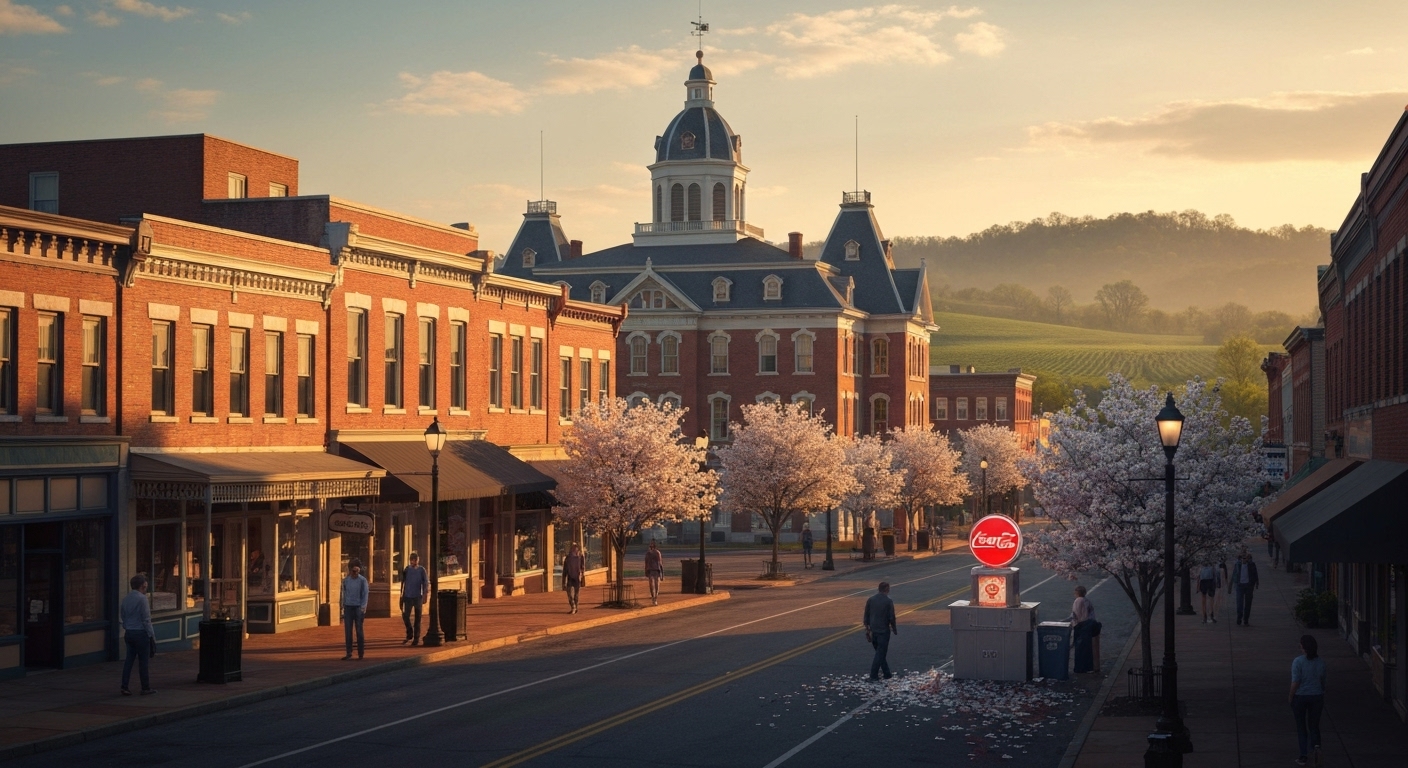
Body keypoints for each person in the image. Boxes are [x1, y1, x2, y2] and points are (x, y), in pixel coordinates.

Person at [1289, 634, 1327, 766]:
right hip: (1316, 696)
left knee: (1301, 727)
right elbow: (1323, 681)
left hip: (1301, 696)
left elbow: (1296, 682)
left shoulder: (1298, 662)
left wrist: (1290, 696)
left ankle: (1303, 755)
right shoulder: (1320, 662)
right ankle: (1316, 747)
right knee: (1314, 725)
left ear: (1303, 647)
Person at [119, 574, 157, 696]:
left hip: (129, 632)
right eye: (145, 586)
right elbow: (146, 619)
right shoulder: (142, 599)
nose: (146, 588)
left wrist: (126, 626)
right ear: (142, 586)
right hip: (141, 633)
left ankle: (124, 686)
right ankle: (145, 687)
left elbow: (123, 616)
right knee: (143, 662)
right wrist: (151, 635)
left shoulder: (126, 599)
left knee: (129, 660)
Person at [863, 581, 897, 681]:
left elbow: (866, 615)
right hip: (883, 631)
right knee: (880, 653)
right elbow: (892, 617)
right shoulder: (888, 601)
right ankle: (873, 675)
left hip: (873, 630)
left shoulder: (871, 599)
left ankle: (887, 673)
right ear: (887, 589)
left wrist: (867, 629)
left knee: (879, 652)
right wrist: (894, 629)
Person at [1067, 585, 1100, 673]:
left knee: (1080, 649)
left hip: (1081, 626)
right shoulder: (1087, 601)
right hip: (1089, 625)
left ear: (1077, 593)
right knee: (1087, 648)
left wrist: (1072, 623)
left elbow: (1076, 614)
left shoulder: (1078, 601)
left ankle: (1080, 668)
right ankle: (1088, 667)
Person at [342, 558, 368, 660]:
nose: (355, 573)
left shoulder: (362, 581)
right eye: (353, 571)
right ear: (350, 570)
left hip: (358, 607)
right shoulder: (346, 581)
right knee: (348, 631)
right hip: (348, 607)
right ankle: (349, 652)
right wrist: (342, 605)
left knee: (359, 630)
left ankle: (361, 653)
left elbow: (365, 594)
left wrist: (363, 608)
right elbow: (343, 593)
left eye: (357, 571)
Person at [400, 552, 428, 646]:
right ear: (410, 560)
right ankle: (409, 632)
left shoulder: (421, 570)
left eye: (416, 559)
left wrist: (425, 594)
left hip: (417, 597)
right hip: (407, 596)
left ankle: (416, 638)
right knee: (405, 616)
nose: (414, 561)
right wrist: (402, 595)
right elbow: (403, 583)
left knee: (417, 619)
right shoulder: (407, 570)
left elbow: (425, 583)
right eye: (412, 560)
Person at [1230, 550, 1259, 626]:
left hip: (1249, 586)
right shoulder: (1238, 565)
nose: (1244, 560)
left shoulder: (1252, 565)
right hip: (1240, 586)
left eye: (1245, 558)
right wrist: (1232, 584)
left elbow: (1255, 574)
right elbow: (1234, 575)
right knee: (1239, 603)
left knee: (1248, 603)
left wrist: (1256, 583)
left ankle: (1246, 619)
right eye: (1242, 558)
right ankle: (1239, 618)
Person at [563, 542, 586, 614]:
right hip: (570, 577)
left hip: (577, 578)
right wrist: (563, 582)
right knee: (569, 593)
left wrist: (582, 575)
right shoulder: (568, 558)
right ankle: (573, 606)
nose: (575, 550)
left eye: (576, 549)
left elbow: (583, 567)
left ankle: (575, 607)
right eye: (573, 548)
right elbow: (565, 570)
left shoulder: (580, 557)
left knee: (576, 594)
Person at [644, 540, 664, 606]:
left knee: (654, 585)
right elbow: (646, 563)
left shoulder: (655, 553)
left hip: (654, 570)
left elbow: (660, 563)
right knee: (654, 586)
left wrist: (662, 574)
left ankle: (655, 598)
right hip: (653, 570)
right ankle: (654, 598)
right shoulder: (651, 553)